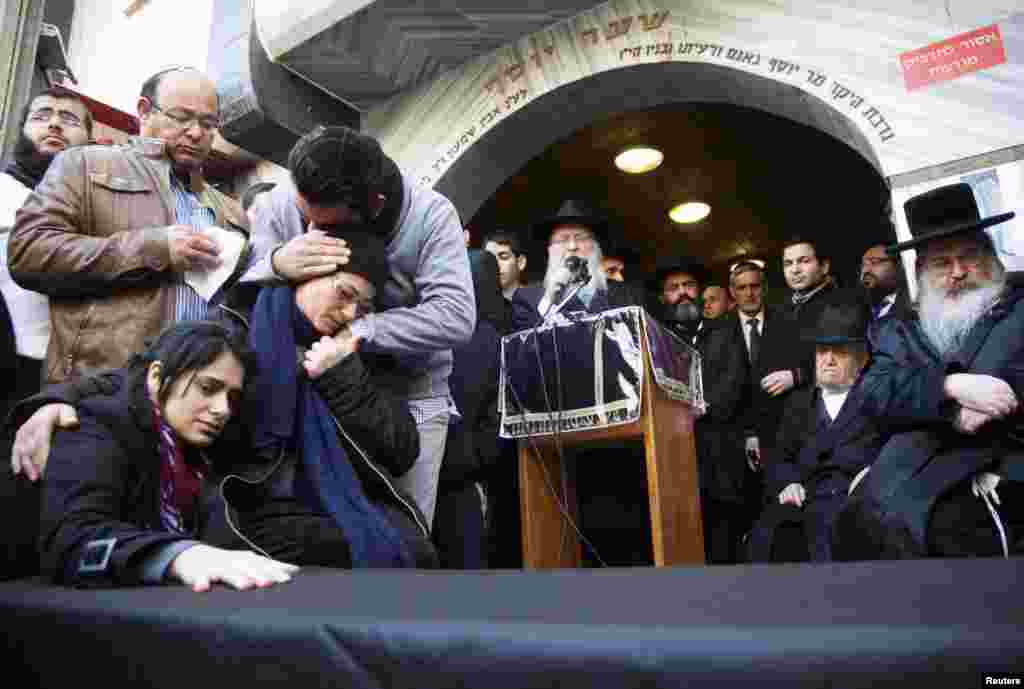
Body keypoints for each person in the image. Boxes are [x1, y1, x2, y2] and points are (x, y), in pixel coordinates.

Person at [9, 233, 438, 573]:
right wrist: (52, 403)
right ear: (309, 274)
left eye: (361, 306)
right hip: (248, 504)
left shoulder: (355, 351)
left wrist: (342, 374)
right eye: (343, 294)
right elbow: (145, 374)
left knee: (410, 545)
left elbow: (401, 451)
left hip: (336, 503)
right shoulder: (237, 323)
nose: (349, 313)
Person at [241, 125, 475, 528]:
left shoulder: (431, 215)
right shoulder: (284, 201)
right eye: (302, 213)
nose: (307, 226)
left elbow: (455, 314)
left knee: (405, 532)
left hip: (411, 395)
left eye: (319, 220)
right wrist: (278, 261)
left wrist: (361, 332)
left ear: (372, 207)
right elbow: (245, 278)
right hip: (312, 390)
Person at [8, 67, 250, 384]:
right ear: (143, 111)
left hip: (195, 400)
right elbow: (28, 253)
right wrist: (154, 249)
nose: (195, 133)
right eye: (181, 117)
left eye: (208, 124)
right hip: (101, 390)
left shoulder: (232, 209)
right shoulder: (85, 164)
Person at [834, 183, 1023, 559]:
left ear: (991, 256)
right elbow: (873, 392)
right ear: (920, 270)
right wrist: (950, 389)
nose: (957, 272)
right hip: (906, 479)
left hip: (1003, 475)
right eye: (941, 262)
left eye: (969, 256)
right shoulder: (898, 328)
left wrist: (1004, 395)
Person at [34, 321, 298, 590]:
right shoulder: (98, 428)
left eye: (232, 398)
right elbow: (71, 541)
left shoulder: (199, 449)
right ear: (156, 376)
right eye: (207, 388)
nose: (223, 409)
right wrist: (180, 556)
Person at [746, 296, 884, 563]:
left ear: (863, 358)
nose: (828, 360)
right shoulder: (798, 403)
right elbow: (780, 457)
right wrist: (788, 483)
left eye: (840, 351)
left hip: (860, 505)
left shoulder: (878, 398)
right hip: (806, 502)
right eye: (822, 351)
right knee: (767, 536)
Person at [1, 88, 93, 420]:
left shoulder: (101, 211)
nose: (54, 125)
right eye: (41, 116)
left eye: (68, 119)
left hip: (70, 382)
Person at [696, 261, 794, 563]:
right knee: (734, 519)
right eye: (742, 288)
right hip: (731, 439)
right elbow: (708, 386)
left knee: (777, 515)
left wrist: (795, 375)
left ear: (763, 287)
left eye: (754, 286)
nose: (749, 293)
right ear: (732, 292)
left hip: (780, 432)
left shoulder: (786, 321)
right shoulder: (715, 331)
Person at [433, 249, 506, 568]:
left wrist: (474, 465)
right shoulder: (414, 324)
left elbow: (495, 413)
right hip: (420, 469)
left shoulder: (488, 338)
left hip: (459, 477)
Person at [511, 199, 644, 330]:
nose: (572, 246)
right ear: (549, 249)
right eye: (563, 239)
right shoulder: (526, 298)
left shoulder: (624, 294)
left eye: (581, 238)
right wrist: (548, 298)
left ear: (595, 247)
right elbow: (524, 346)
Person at [779, 236, 841, 392]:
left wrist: (799, 375)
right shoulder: (782, 308)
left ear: (824, 266)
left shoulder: (843, 304)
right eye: (788, 263)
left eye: (804, 261)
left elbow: (849, 360)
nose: (795, 270)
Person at [649, 256, 706, 344]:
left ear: (699, 289)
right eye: (673, 288)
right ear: (662, 298)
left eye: (689, 285)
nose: (682, 291)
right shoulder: (657, 338)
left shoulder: (723, 329)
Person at [482, 227, 526, 334]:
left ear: (520, 263)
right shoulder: (480, 310)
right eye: (489, 258)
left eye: (503, 257)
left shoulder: (540, 301)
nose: (495, 264)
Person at [860, 242, 911, 322]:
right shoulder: (858, 308)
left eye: (874, 262)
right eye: (863, 264)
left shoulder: (913, 307)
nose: (865, 270)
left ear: (899, 266)